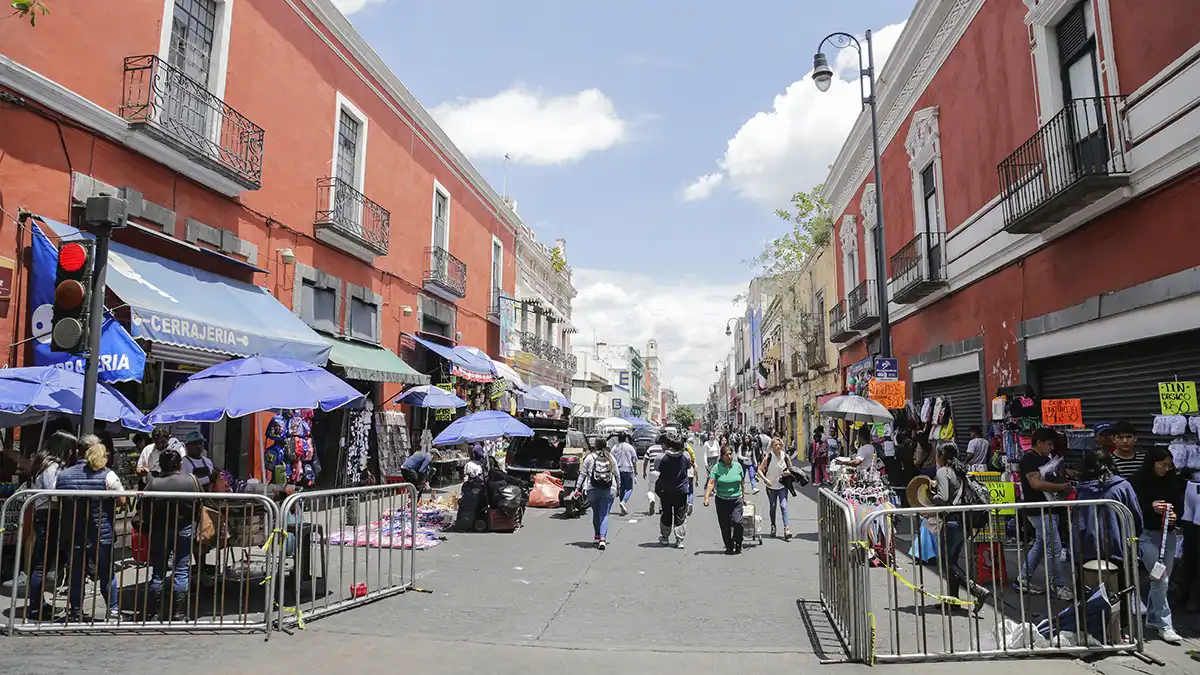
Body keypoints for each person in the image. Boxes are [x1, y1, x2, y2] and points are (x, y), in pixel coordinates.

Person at [56, 436, 125, 622]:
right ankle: (112, 611)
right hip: (101, 532)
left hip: (74, 532)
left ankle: (76, 611)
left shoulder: (62, 476)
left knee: (76, 573)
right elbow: (122, 499)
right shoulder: (107, 474)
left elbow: (57, 501)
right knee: (106, 573)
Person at [1129, 447, 1185, 644]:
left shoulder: (1174, 480)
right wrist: (1149, 507)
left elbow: (1179, 503)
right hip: (1144, 534)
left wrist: (1174, 516)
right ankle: (1165, 624)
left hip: (1167, 534)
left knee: (1162, 578)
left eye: (1169, 466)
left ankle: (1153, 617)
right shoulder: (1137, 481)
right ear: (1152, 464)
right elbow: (1130, 506)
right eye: (1162, 465)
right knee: (1160, 576)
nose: (1166, 469)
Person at [931, 442, 993, 610]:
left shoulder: (943, 471)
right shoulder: (960, 471)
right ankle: (953, 601)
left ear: (941, 456)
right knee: (952, 560)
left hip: (952, 522)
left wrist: (931, 495)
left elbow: (943, 498)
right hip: (964, 523)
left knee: (945, 562)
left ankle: (977, 590)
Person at [20, 430, 74, 620]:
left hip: (44, 514)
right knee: (41, 565)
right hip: (48, 514)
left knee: (42, 563)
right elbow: (54, 492)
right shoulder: (51, 466)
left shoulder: (43, 463)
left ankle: (39, 603)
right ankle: (36, 609)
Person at [1014, 427, 1073, 600]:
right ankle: (1057, 585)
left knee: (1041, 544)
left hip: (1049, 507)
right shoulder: (1028, 459)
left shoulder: (1044, 457)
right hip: (1038, 509)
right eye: (1048, 444)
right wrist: (1062, 487)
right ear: (1039, 442)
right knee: (1054, 547)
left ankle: (1023, 579)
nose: (1051, 448)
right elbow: (1036, 484)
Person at [142, 447, 200, 621]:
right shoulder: (192, 481)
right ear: (180, 464)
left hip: (159, 530)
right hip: (185, 528)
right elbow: (200, 503)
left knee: (158, 572)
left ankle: (155, 613)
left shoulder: (154, 483)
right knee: (181, 570)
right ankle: (179, 613)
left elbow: (144, 507)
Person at [704, 444, 745, 554]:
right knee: (725, 525)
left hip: (736, 499)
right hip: (722, 500)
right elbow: (711, 482)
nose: (730, 457)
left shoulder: (737, 466)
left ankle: (738, 542)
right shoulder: (717, 467)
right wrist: (706, 497)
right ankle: (729, 546)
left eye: (731, 454)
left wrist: (743, 496)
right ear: (722, 457)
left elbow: (742, 482)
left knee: (737, 522)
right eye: (727, 455)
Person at [577, 440, 617, 549]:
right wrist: (618, 487)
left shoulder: (589, 458)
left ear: (595, 446)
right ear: (606, 446)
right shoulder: (610, 458)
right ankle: (603, 539)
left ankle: (597, 536)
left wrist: (577, 488)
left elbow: (583, 474)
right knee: (604, 514)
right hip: (608, 489)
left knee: (596, 513)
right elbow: (617, 474)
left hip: (592, 489)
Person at [654, 436, 692, 548]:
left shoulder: (662, 457)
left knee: (666, 513)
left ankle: (665, 537)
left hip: (665, 490)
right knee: (680, 515)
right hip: (681, 490)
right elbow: (688, 467)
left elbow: (657, 468)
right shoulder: (686, 456)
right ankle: (679, 540)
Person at [758, 436, 793, 539]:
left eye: (779, 445)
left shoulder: (785, 456)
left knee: (784, 506)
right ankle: (773, 526)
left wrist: (788, 472)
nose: (778, 447)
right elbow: (759, 470)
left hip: (782, 486)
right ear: (772, 447)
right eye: (775, 445)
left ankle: (786, 528)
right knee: (773, 507)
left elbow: (792, 469)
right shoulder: (768, 457)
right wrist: (765, 479)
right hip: (771, 487)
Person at [611, 432, 638, 516]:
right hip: (628, 469)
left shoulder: (614, 448)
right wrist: (636, 472)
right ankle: (623, 502)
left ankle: (622, 506)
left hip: (618, 470)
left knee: (621, 488)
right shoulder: (630, 447)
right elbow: (634, 460)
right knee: (629, 488)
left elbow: (611, 460)